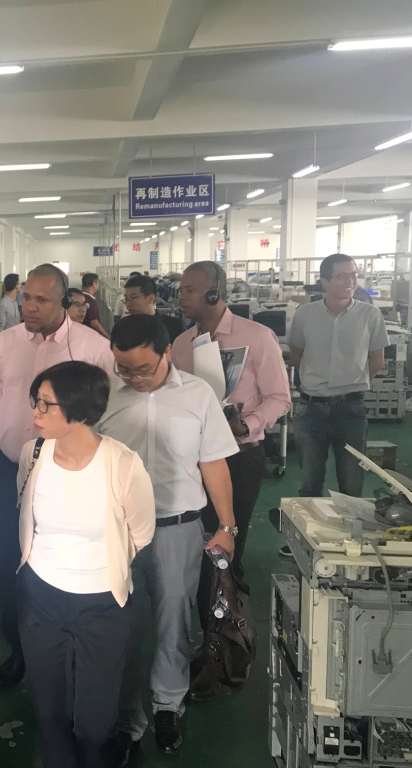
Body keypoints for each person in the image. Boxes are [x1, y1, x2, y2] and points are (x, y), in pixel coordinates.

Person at [98, 315, 238, 757]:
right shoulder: (104, 395)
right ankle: (126, 719)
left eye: (143, 368)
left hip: (177, 527)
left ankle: (167, 704)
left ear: (166, 354)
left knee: (173, 622)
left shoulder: (198, 394)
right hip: (117, 532)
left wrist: (226, 526)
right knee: (119, 625)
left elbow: (212, 461)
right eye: (124, 368)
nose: (134, 378)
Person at [0, 263, 114, 690]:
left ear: (65, 301)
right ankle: (20, 648)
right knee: (4, 565)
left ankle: (62, 651)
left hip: (66, 476)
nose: (29, 307)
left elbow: (107, 417)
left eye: (41, 300)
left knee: (56, 564)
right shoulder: (4, 344)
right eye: (25, 298)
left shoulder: (93, 348)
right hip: (6, 470)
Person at [17, 361, 155, 768]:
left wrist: (94, 567)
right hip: (41, 599)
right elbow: (26, 515)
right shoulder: (33, 454)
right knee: (49, 715)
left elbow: (141, 533)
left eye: (46, 404)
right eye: (36, 401)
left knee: (96, 724)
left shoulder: (123, 464)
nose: (36, 412)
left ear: (78, 410)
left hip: (103, 607)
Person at [171, 261, 290, 623]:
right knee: (197, 543)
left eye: (190, 289)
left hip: (240, 456)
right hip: (193, 460)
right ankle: (207, 622)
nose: (181, 297)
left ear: (214, 292)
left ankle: (228, 632)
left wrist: (246, 425)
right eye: (180, 289)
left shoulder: (257, 337)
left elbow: (279, 398)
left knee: (226, 546)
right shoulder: (182, 344)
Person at [288, 253, 388, 498]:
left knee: (351, 483)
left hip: (351, 409)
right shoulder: (305, 315)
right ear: (324, 281)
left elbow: (377, 359)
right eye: (342, 276)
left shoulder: (370, 315)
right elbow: (297, 355)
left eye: (353, 275)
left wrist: (353, 382)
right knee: (310, 483)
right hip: (311, 409)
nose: (350, 281)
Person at [121, 275, 184, 343]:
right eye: (126, 299)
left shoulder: (174, 326)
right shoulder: (124, 327)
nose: (128, 304)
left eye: (134, 298)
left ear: (151, 299)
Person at [81, 272, 110, 339]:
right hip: (89, 336)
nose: (98, 286)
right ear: (94, 284)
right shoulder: (90, 300)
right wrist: (108, 338)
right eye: (98, 283)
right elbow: (94, 323)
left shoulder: (80, 296)